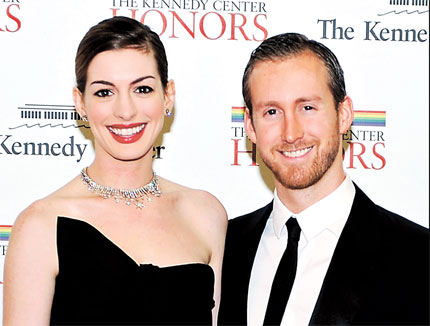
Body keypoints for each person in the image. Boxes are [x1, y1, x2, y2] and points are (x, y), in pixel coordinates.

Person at [3, 16, 227, 325]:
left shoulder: (206, 214)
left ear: (168, 95)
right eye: (104, 92)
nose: (125, 111)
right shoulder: (41, 225)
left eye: (143, 89)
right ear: (80, 102)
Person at [218, 33, 429, 325]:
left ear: (344, 115)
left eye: (307, 107)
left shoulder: (418, 259)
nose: (291, 133)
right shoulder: (222, 247)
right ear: (250, 127)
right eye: (271, 112)